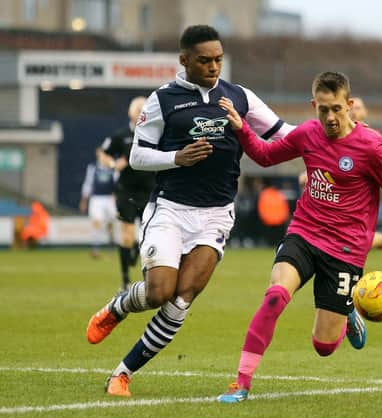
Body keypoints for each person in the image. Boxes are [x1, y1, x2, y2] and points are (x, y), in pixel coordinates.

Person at [85, 24, 294, 397]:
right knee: (159, 292)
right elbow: (137, 156)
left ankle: (121, 374)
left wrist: (331, 140)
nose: (214, 66)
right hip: (170, 210)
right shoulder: (162, 100)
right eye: (205, 60)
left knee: (181, 300)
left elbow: (282, 132)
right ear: (184, 60)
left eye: (218, 59)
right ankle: (119, 307)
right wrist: (175, 158)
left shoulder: (239, 96)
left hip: (215, 215)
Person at [217, 71, 382, 403]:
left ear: (350, 105)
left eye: (337, 108)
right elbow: (266, 157)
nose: (330, 117)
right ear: (314, 106)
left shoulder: (372, 146)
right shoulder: (308, 134)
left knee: (323, 347)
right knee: (275, 296)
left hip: (345, 251)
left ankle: (349, 311)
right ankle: (241, 383)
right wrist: (241, 128)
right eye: (323, 109)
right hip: (304, 233)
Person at [298, 96, 382, 266]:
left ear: (365, 112)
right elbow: (326, 162)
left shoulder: (372, 138)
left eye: (359, 107)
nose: (355, 110)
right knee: (344, 238)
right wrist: (308, 174)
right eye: (353, 107)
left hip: (360, 195)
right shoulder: (332, 135)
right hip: (335, 196)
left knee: (354, 238)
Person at [98, 97, 156, 289]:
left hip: (150, 191)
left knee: (148, 234)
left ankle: (137, 255)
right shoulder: (121, 135)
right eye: (137, 109)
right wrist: (114, 164)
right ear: (131, 113)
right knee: (127, 234)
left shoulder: (155, 135)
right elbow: (102, 153)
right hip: (126, 191)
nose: (140, 112)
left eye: (143, 108)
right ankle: (125, 280)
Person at [80, 149, 117, 258]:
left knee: (110, 224)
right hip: (97, 198)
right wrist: (84, 200)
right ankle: (95, 249)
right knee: (96, 222)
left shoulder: (112, 167)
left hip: (110, 198)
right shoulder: (93, 167)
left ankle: (111, 247)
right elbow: (88, 183)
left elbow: (117, 182)